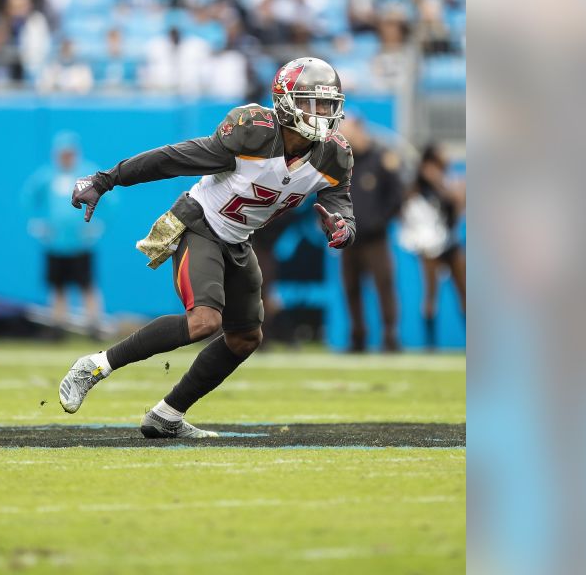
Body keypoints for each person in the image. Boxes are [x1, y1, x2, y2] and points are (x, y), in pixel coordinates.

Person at [58, 57, 357, 438]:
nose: (323, 114)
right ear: (284, 101)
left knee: (246, 337)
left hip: (238, 241)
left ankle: (166, 415)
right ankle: (97, 364)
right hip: (200, 225)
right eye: (312, 103)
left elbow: (339, 196)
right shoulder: (254, 133)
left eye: (328, 105)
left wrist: (343, 224)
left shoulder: (334, 154)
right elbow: (174, 158)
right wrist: (106, 179)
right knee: (205, 320)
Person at [21, 131, 105, 338]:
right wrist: (36, 222)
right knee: (57, 286)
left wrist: (99, 225)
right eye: (62, 153)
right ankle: (58, 327)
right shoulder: (47, 175)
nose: (66, 157)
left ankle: (94, 326)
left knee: (87, 284)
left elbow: (111, 200)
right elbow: (28, 196)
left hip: (80, 242)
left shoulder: (88, 174)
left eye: (69, 153)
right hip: (55, 242)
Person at [337, 116, 406, 352]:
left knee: (384, 286)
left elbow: (396, 197)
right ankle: (358, 337)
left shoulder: (380, 160)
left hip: (375, 240)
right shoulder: (343, 163)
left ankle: (390, 336)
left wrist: (379, 222)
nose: (345, 139)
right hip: (349, 239)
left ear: (360, 130)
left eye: (348, 133)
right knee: (351, 289)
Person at [402, 144, 466, 347]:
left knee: (464, 290)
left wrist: (458, 202)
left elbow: (453, 221)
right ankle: (430, 344)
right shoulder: (414, 192)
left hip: (450, 243)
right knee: (431, 294)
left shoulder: (446, 187)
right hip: (428, 248)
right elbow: (412, 223)